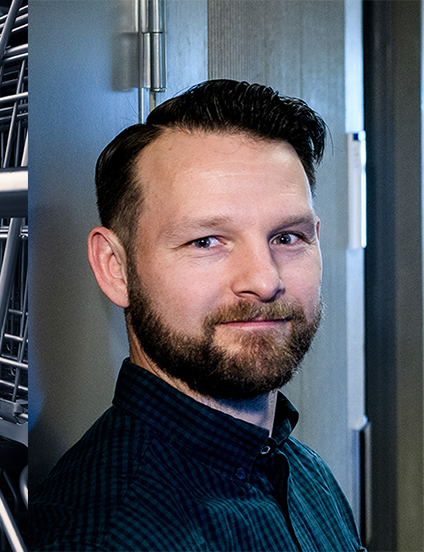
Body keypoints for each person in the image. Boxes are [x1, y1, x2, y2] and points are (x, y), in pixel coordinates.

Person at [28, 80, 366, 551]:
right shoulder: (106, 535)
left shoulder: (302, 472)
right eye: (206, 241)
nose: (264, 281)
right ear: (116, 268)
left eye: (288, 237)